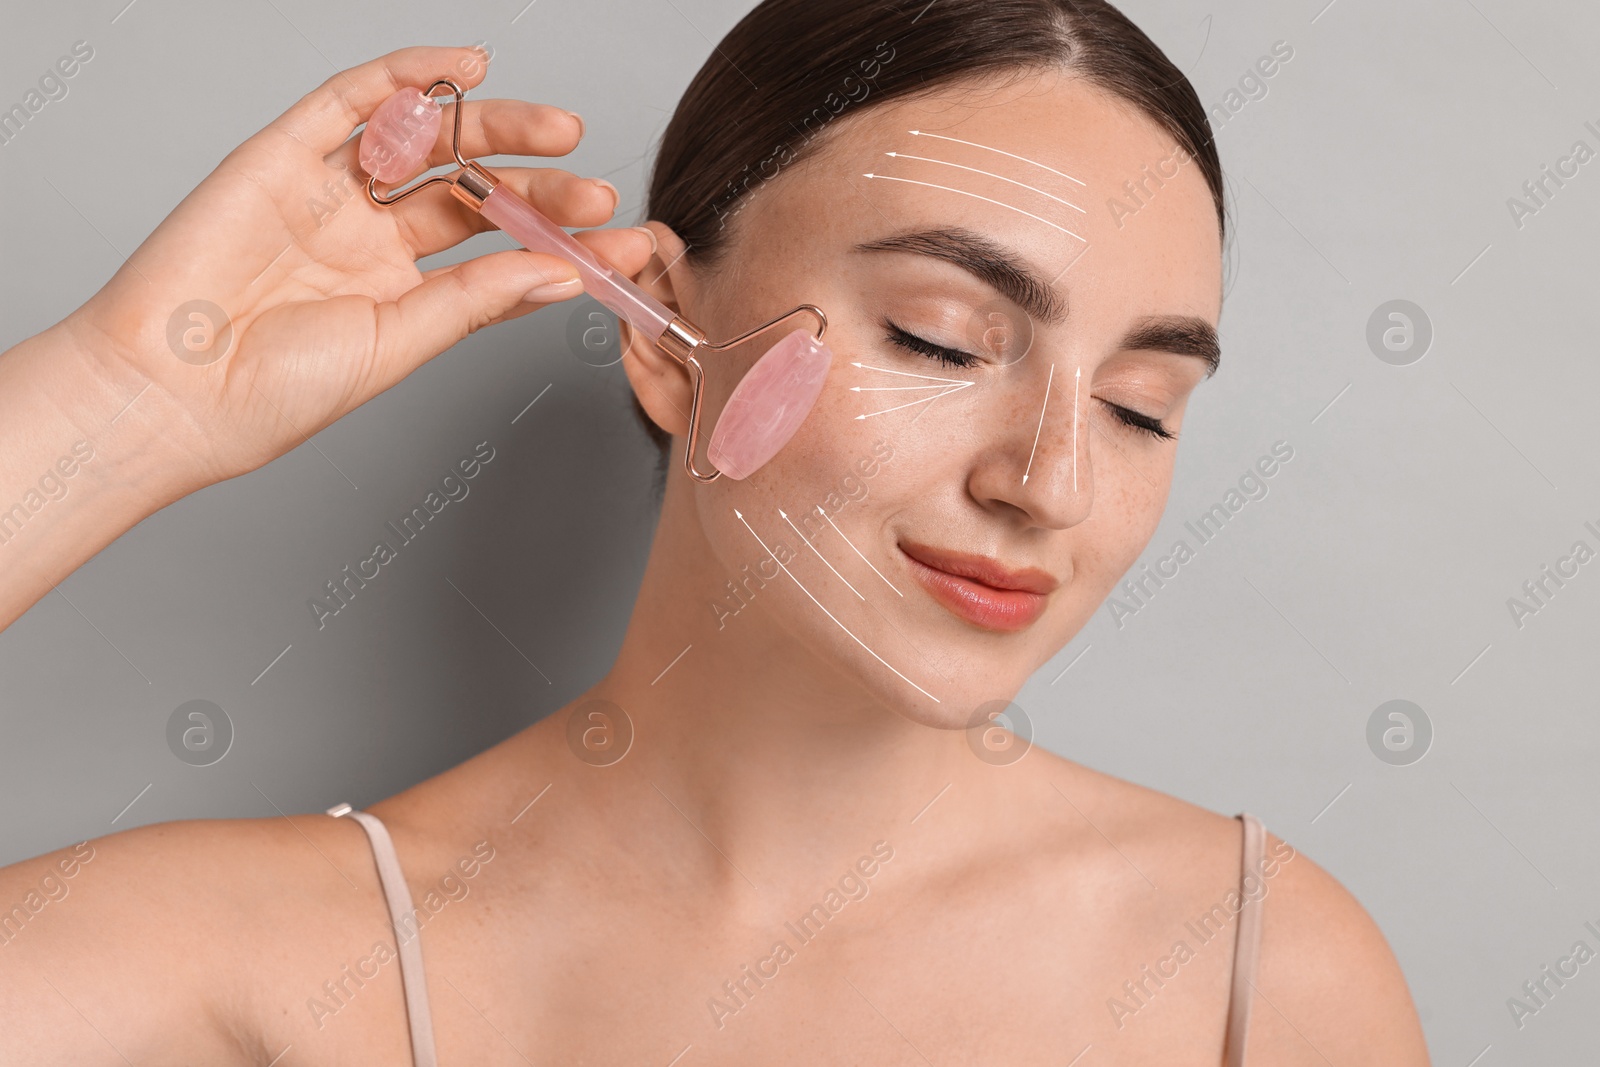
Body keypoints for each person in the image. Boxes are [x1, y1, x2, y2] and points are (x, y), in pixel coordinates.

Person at [0, 3, 1432, 1063]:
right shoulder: (255, 966)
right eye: (941, 341)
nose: (1049, 484)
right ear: (669, 343)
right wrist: (118, 404)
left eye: (1142, 406)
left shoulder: (1258, 966)